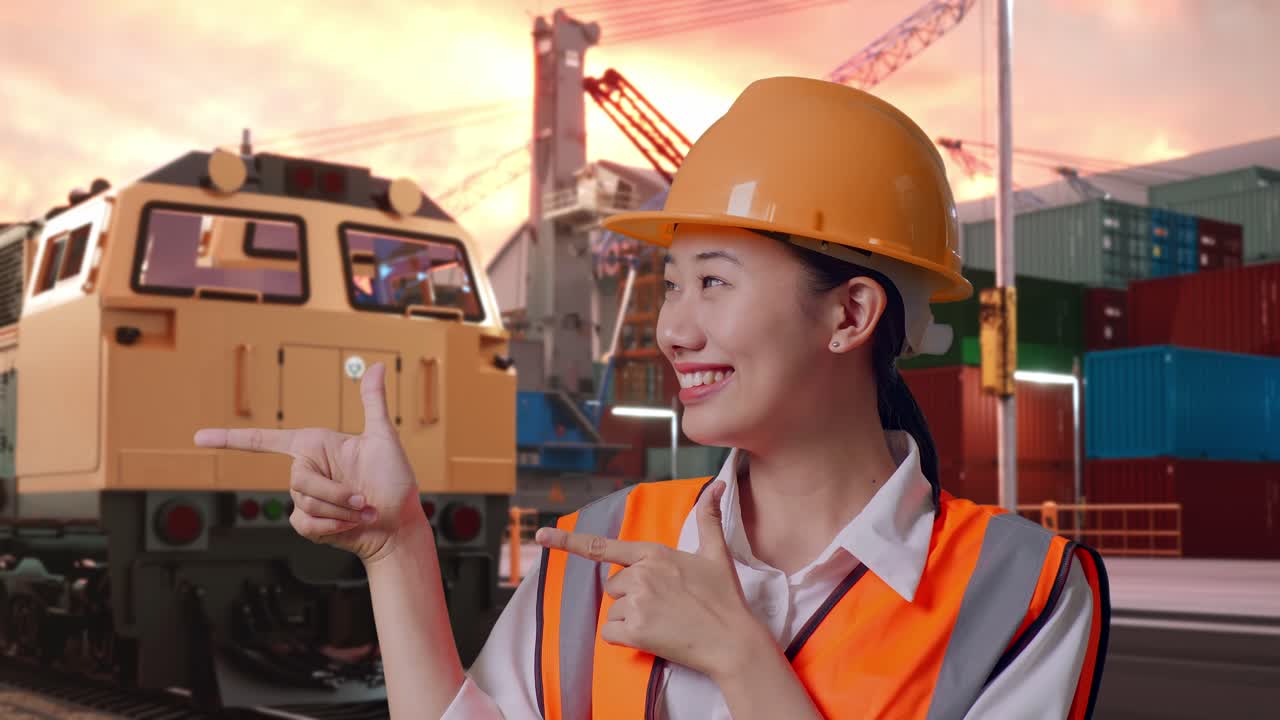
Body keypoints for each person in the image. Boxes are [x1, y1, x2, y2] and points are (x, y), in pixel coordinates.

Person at [194, 76, 1109, 719]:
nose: (672, 329)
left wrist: (739, 656)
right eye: (671, 285)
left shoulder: (1021, 591)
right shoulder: (605, 544)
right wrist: (395, 548)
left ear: (850, 315)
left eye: (712, 282)